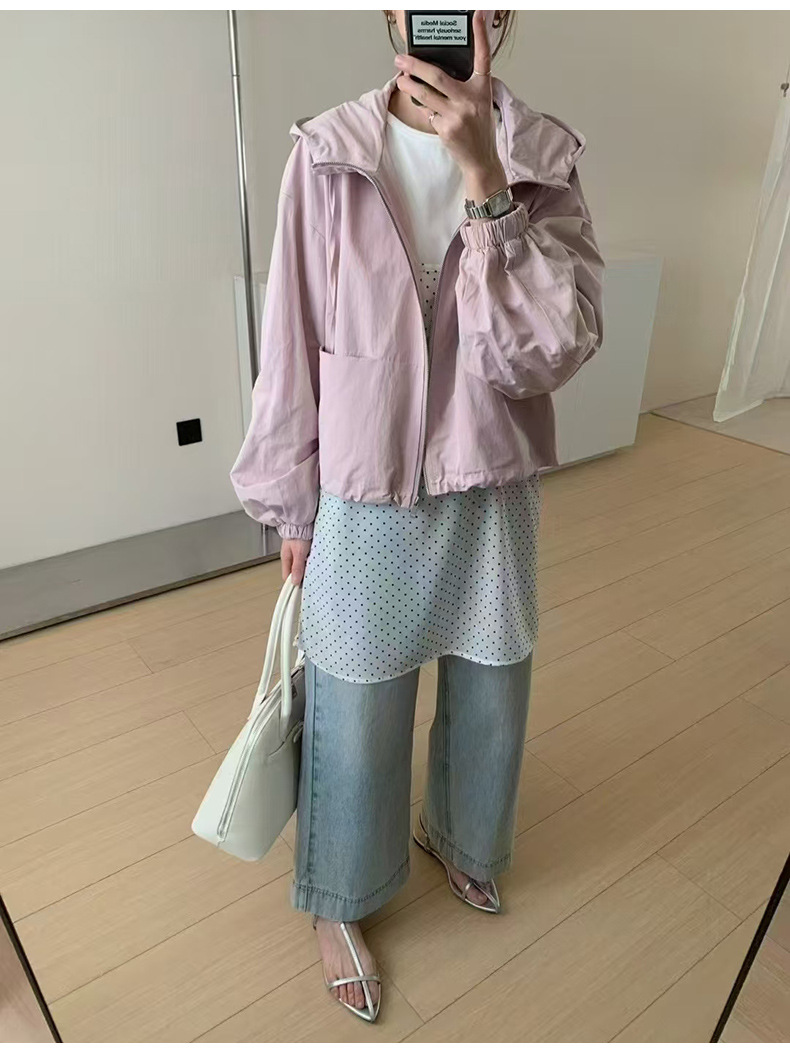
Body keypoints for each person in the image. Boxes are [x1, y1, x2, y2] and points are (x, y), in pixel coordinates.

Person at [230, 9, 604, 1023]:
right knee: (354, 702)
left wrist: (485, 179)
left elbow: (549, 351)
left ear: (502, 17)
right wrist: (289, 498)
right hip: (364, 483)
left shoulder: (542, 156)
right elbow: (290, 337)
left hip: (491, 475)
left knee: (491, 680)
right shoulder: (328, 153)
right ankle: (341, 896)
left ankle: (464, 838)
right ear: (389, 14)